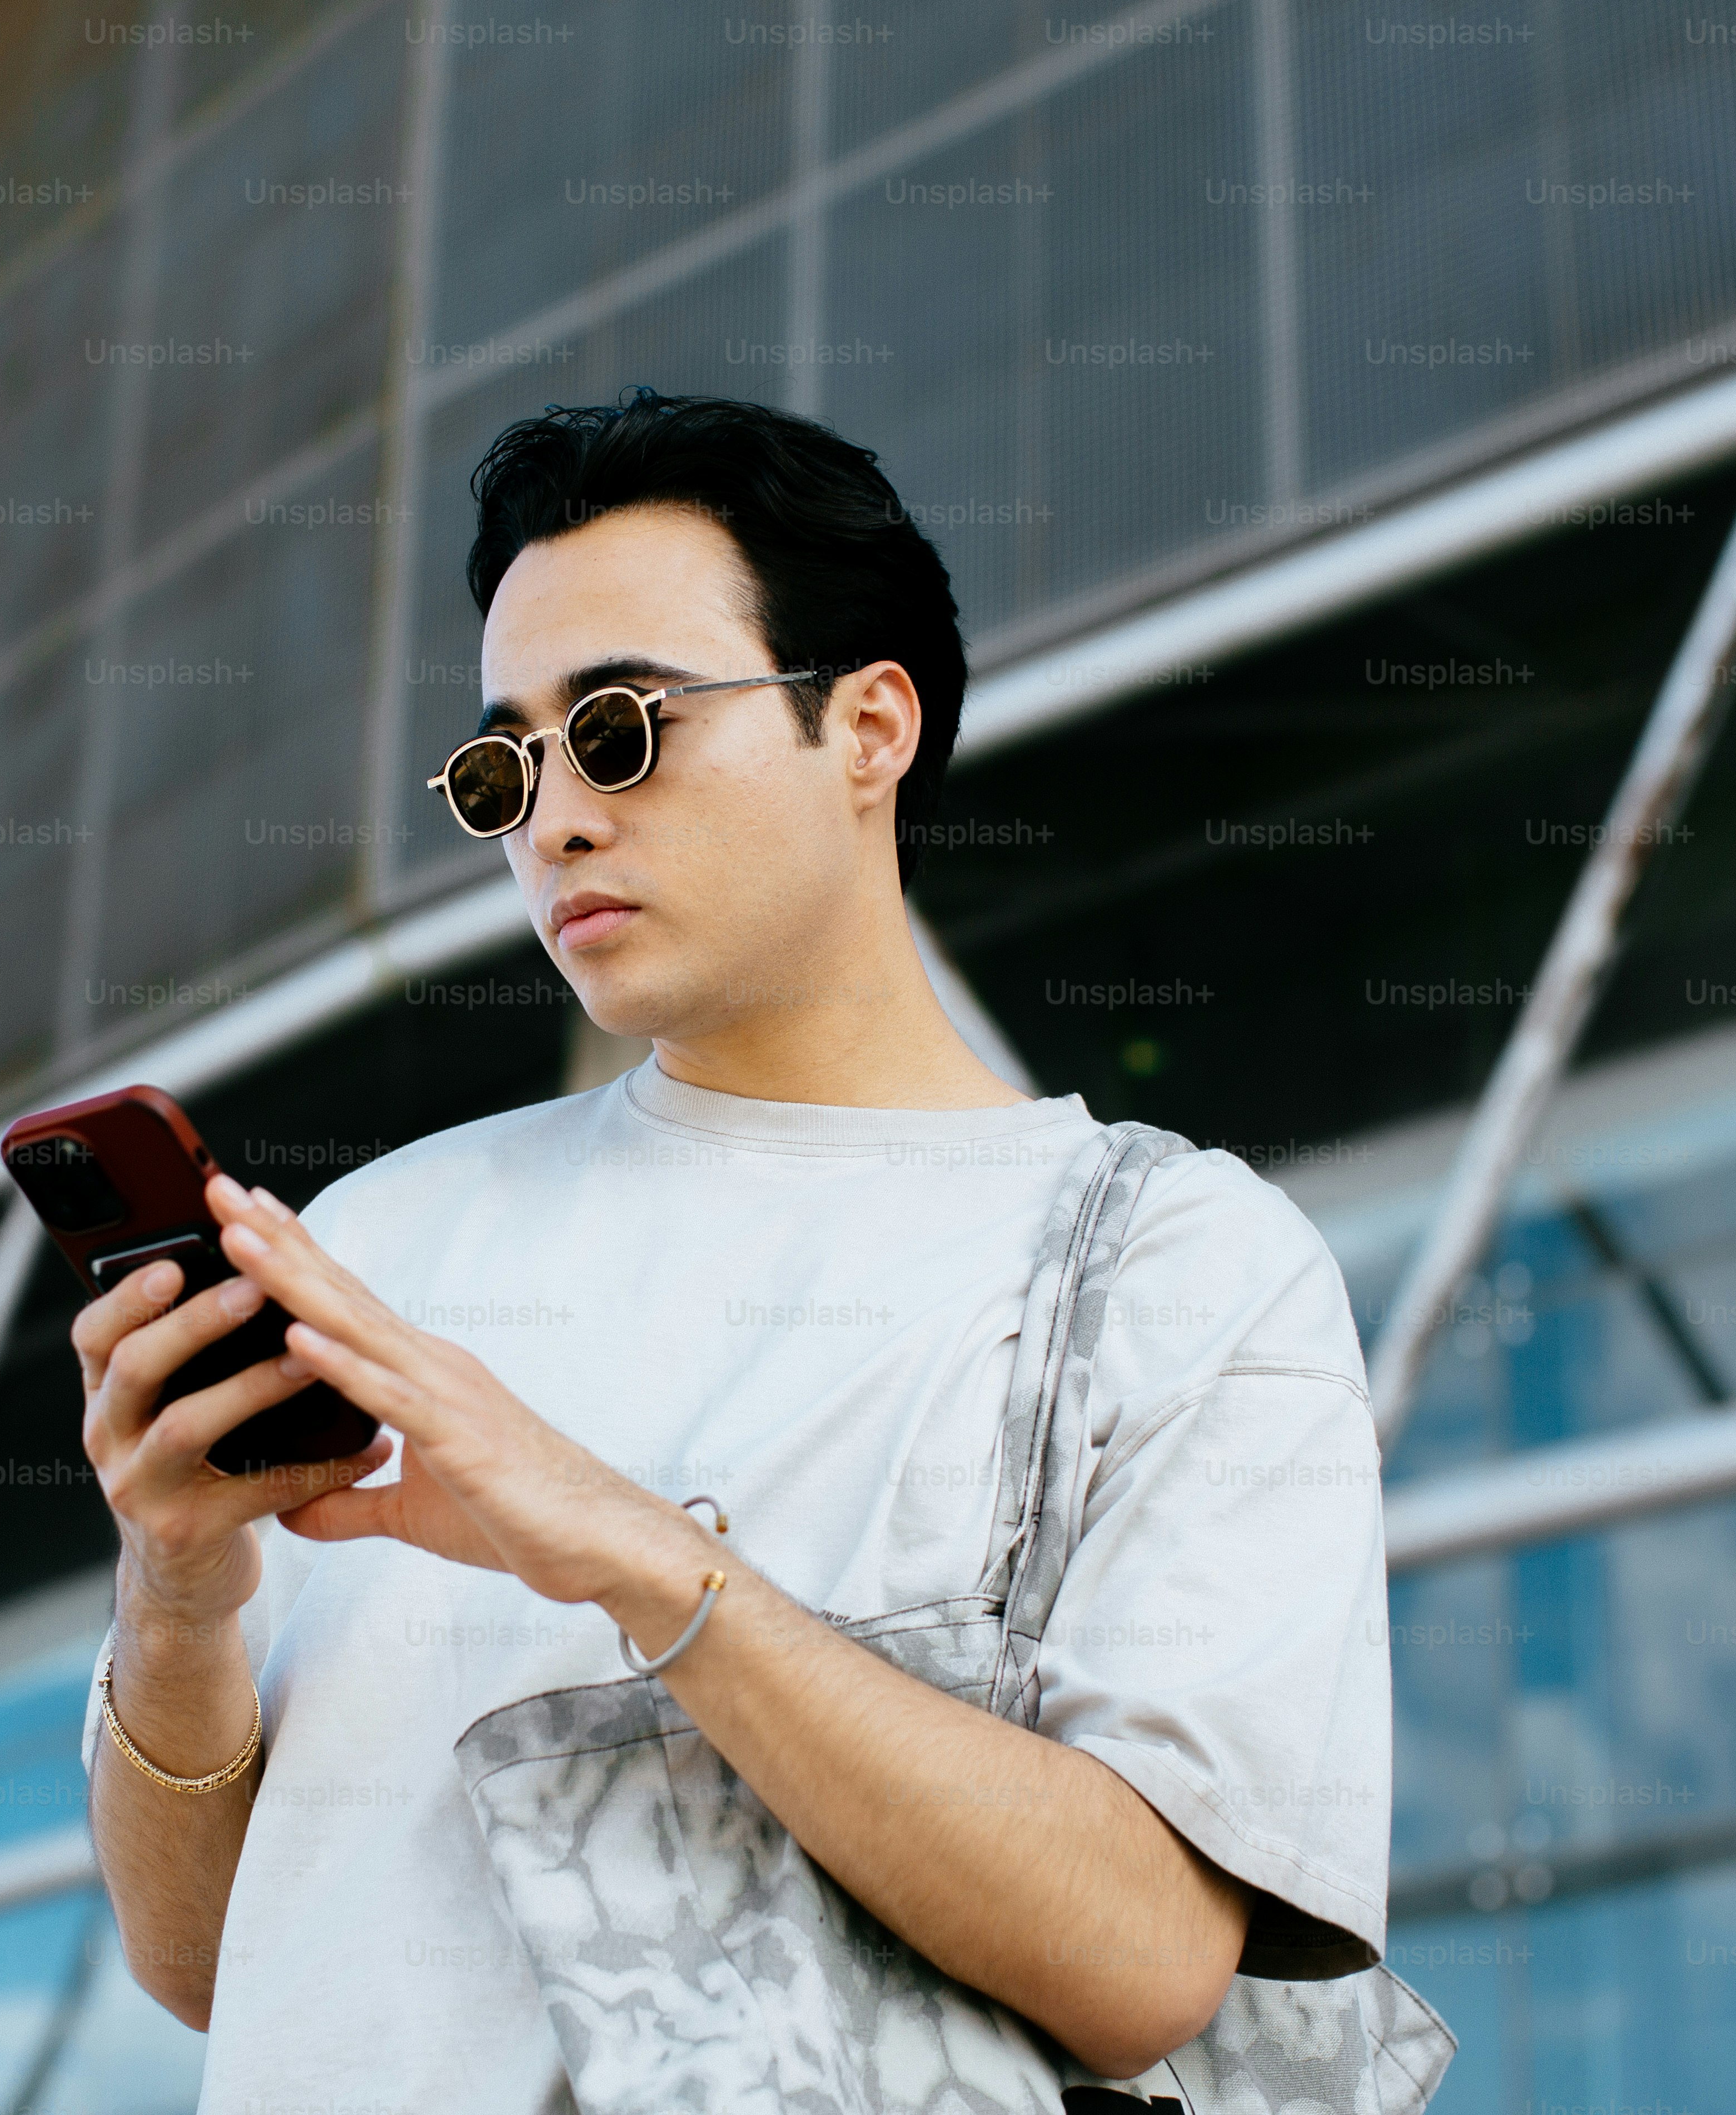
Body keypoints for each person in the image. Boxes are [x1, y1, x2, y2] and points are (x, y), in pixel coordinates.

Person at [73, 390, 1389, 2111]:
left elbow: (1143, 1963)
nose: (550, 819)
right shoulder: (379, 1240)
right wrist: (178, 1596)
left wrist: (636, 1555)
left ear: (868, 728)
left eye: (620, 729)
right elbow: (203, 1972)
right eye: (503, 765)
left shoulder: (1176, 1261)